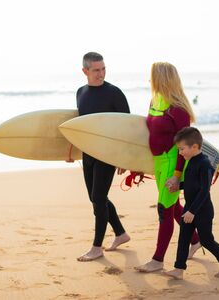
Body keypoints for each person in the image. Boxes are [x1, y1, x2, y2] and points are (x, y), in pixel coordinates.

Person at [135, 62, 201, 273]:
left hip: (173, 162)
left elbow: (185, 148)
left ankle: (157, 260)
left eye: (152, 76)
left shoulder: (178, 109)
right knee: (173, 209)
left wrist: (176, 176)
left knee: (164, 209)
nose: (149, 80)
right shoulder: (155, 100)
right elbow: (150, 133)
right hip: (158, 162)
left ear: (161, 78)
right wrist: (137, 164)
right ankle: (196, 240)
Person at [76, 52, 131, 261]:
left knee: (98, 199)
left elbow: (127, 127)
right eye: (96, 70)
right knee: (94, 198)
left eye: (103, 69)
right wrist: (71, 150)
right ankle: (121, 233)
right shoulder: (80, 92)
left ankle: (97, 247)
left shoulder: (114, 93)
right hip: (88, 153)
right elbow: (80, 126)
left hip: (108, 154)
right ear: (85, 71)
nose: (101, 74)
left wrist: (123, 158)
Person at [163, 127, 219, 280]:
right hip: (189, 208)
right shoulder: (191, 161)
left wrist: (192, 211)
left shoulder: (205, 164)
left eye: (182, 149)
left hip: (202, 210)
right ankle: (179, 269)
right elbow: (190, 183)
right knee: (183, 238)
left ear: (194, 147)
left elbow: (204, 190)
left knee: (206, 240)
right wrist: (177, 186)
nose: (180, 153)